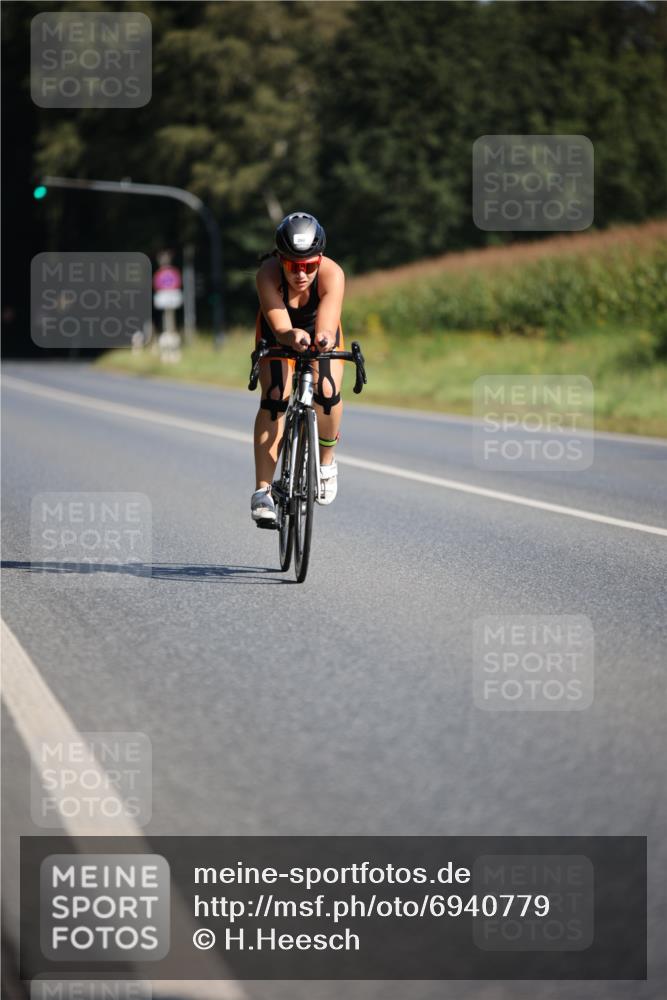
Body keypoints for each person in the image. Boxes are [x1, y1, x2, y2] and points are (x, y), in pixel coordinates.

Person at [251, 212, 345, 525]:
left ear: (320, 259)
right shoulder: (267, 273)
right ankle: (263, 492)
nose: (301, 274)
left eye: (309, 266)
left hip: (318, 329)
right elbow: (279, 327)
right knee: (276, 395)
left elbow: (329, 326)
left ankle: (326, 463)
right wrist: (291, 336)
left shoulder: (332, 274)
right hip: (278, 331)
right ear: (281, 259)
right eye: (293, 265)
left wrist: (323, 337)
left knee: (328, 392)